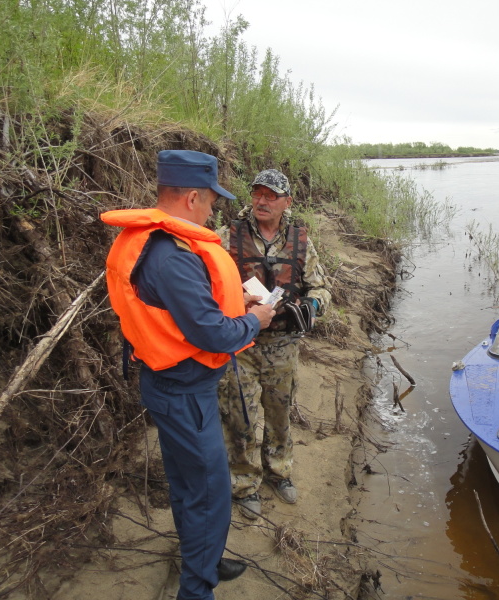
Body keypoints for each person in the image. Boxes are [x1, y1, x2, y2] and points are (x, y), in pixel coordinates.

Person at [101, 150, 276, 600]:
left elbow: (180, 306)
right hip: (182, 390)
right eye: (212, 202)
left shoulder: (148, 241)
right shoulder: (173, 255)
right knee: (209, 494)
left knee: (186, 483)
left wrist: (233, 298)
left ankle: (204, 557)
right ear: (193, 197)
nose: (214, 210)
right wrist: (256, 321)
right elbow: (213, 333)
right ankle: (197, 590)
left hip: (167, 382)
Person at [218, 168, 331, 521]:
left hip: (283, 345)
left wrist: (312, 307)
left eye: (271, 195)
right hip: (239, 345)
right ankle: (243, 484)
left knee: (280, 415)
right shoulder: (224, 238)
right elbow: (204, 288)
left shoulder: (300, 241)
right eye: (257, 193)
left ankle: (279, 472)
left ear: (287, 202)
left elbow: (321, 288)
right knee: (239, 416)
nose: (262, 201)